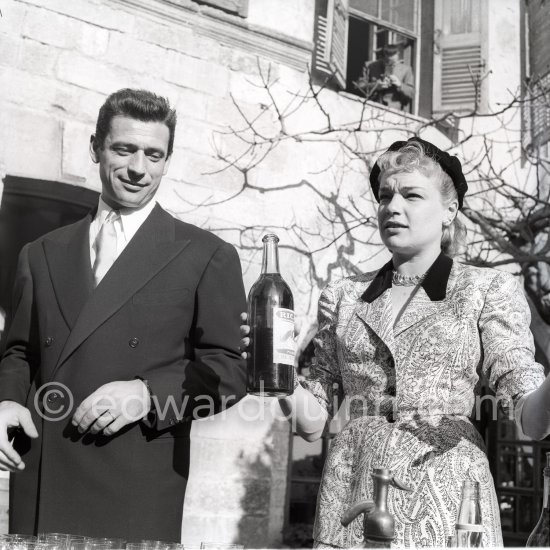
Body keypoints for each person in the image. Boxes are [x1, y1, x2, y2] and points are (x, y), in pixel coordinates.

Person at [241, 136, 550, 547]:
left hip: (447, 497)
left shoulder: (487, 288)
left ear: (449, 210)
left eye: (411, 195)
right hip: (352, 495)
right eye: (385, 196)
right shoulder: (344, 295)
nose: (393, 207)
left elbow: (532, 420)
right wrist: (277, 371)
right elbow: (312, 424)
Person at [0, 89, 247, 539]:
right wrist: (7, 401)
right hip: (42, 478)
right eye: (124, 149)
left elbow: (230, 372)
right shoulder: (40, 253)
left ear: (168, 160)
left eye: (154, 155)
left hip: (136, 486)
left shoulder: (206, 255)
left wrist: (148, 395)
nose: (139, 168)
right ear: (95, 147)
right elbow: (18, 351)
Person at [354, 44, 414, 111]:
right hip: (370, 107)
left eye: (393, 62)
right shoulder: (370, 66)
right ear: (382, 57)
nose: (389, 64)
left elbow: (411, 94)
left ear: (398, 55)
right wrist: (375, 86)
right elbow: (358, 87)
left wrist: (400, 85)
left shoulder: (406, 69)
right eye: (386, 61)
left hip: (395, 111)